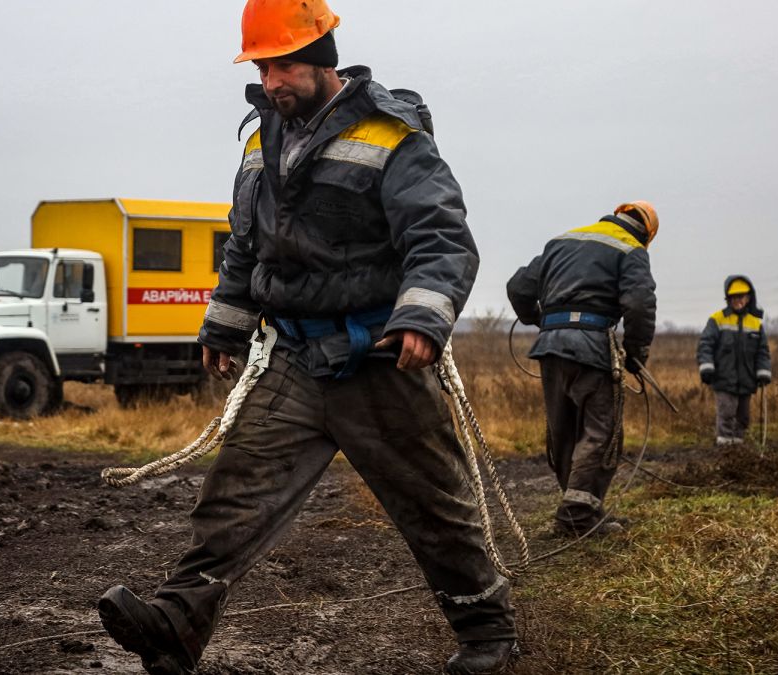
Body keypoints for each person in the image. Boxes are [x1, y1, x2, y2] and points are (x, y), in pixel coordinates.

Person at [96, 1, 517, 673]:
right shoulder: (259, 137)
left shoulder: (393, 134)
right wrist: (225, 320)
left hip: (379, 358)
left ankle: (488, 633)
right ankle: (176, 624)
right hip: (292, 356)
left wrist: (421, 318)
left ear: (322, 57)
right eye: (262, 67)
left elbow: (441, 237)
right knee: (233, 495)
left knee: (434, 505)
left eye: (283, 64)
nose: (271, 81)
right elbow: (247, 244)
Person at [505, 202, 658, 536]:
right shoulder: (632, 250)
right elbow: (639, 303)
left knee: (563, 431)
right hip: (592, 349)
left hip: (550, 347)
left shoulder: (563, 240)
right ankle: (577, 515)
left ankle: (582, 508)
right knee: (602, 431)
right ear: (647, 234)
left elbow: (517, 286)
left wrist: (538, 319)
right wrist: (635, 355)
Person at [696, 276, 772, 445]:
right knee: (726, 414)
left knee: (743, 418)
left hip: (746, 380)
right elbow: (705, 345)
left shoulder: (755, 323)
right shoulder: (717, 319)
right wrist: (706, 367)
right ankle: (724, 452)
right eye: (734, 297)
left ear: (748, 298)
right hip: (723, 379)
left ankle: (738, 452)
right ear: (728, 298)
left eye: (741, 296)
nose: (738, 300)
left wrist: (763, 372)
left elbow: (762, 351)